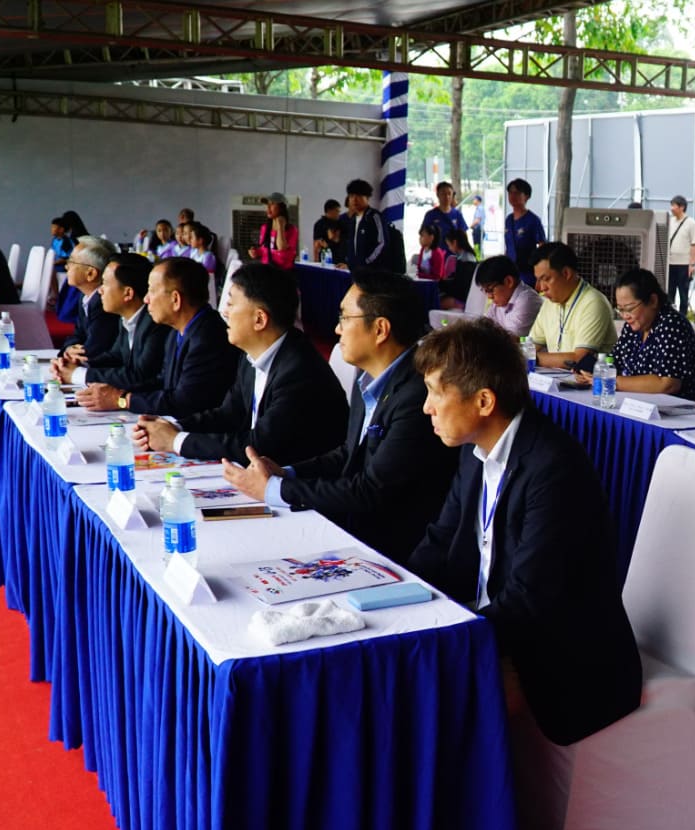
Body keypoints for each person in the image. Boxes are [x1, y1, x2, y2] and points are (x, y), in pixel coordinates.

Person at [408, 318, 642, 745]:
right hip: (498, 622)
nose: (427, 408)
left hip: (562, 654)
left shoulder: (553, 467)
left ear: (483, 401)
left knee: (422, 698)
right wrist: (401, 601)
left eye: (435, 393)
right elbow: (440, 542)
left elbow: (529, 600)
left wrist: (449, 643)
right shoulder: (476, 451)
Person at [223, 270, 459, 561]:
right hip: (357, 531)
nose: (337, 329)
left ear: (380, 329)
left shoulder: (417, 396)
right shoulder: (369, 378)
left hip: (396, 551)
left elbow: (370, 491)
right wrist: (287, 473)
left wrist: (275, 489)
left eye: (345, 318)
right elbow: (348, 454)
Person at [134, 263, 347, 465]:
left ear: (259, 319)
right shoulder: (253, 355)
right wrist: (173, 427)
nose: (225, 312)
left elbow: (260, 445)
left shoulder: (299, 371)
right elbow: (228, 414)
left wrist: (175, 441)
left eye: (230, 304)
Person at [84, 256, 239, 417]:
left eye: (151, 291)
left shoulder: (208, 337)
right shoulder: (176, 331)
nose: (146, 299)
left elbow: (184, 402)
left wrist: (122, 400)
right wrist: (116, 393)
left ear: (175, 299)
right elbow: (162, 382)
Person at [571, 268, 695, 402]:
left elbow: (667, 383)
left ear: (653, 301)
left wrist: (611, 381)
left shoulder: (672, 325)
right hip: (639, 404)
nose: (625, 316)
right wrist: (590, 372)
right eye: (620, 310)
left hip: (681, 409)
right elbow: (614, 363)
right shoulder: (633, 327)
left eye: (629, 308)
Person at [53, 254, 169, 402]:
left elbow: (140, 375)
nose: (100, 290)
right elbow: (115, 356)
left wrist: (78, 375)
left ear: (128, 293)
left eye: (105, 284)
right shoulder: (126, 317)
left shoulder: (155, 323)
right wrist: (78, 364)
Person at [526, 242, 617, 368]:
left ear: (566, 273)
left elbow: (579, 358)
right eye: (538, 280)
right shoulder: (549, 303)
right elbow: (530, 346)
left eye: (546, 279)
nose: (541, 288)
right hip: (557, 377)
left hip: (592, 379)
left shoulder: (593, 302)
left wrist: (531, 358)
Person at [59, 236, 120, 366]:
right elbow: (77, 334)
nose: (66, 266)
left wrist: (70, 357)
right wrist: (69, 349)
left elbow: (94, 351)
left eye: (71, 262)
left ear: (91, 274)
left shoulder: (104, 304)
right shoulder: (85, 296)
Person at [342, 179, 405, 274]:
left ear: (367, 198)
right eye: (351, 196)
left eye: (359, 196)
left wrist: (365, 262)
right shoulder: (353, 220)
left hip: (373, 272)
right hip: (357, 272)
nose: (354, 200)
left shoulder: (375, 217)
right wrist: (349, 264)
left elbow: (382, 244)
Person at [474, 255, 543, 338]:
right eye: (485, 291)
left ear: (509, 281)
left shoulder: (527, 300)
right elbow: (483, 326)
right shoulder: (501, 300)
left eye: (490, 290)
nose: (489, 296)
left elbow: (511, 339)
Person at [503, 178, 546, 287]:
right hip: (510, 271)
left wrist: (539, 273)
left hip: (527, 272)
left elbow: (542, 246)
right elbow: (508, 246)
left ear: (526, 196)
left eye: (517, 193)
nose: (513, 196)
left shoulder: (533, 220)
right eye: (510, 193)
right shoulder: (508, 220)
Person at [665, 195, 695, 317]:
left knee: (683, 293)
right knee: (670, 292)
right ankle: (670, 316)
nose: (671, 208)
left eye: (674, 206)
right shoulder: (670, 221)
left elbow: (694, 244)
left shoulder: (691, 223)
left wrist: (692, 264)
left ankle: (683, 317)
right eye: (671, 205)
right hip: (670, 263)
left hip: (684, 264)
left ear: (682, 207)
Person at [247, 193, 297, 270]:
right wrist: (256, 252)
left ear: (282, 207)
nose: (268, 207)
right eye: (267, 204)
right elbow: (264, 249)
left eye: (272, 204)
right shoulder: (265, 228)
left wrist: (280, 225)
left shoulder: (292, 230)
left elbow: (281, 248)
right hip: (266, 269)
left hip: (282, 272)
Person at [421, 181, 468, 248]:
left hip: (454, 253)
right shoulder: (430, 215)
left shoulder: (457, 214)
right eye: (443, 194)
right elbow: (423, 237)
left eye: (449, 194)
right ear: (438, 195)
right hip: (436, 252)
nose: (447, 197)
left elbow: (464, 235)